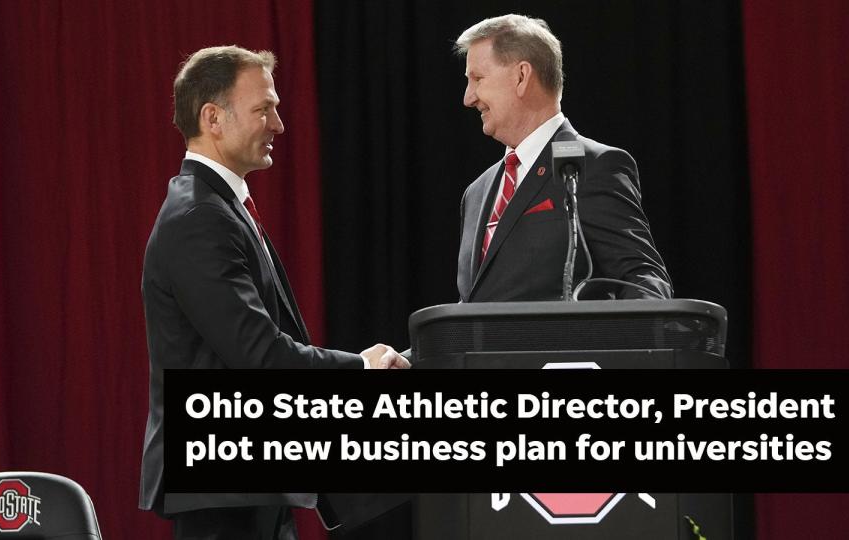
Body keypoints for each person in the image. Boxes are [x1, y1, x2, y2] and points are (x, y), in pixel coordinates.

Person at [139, 45, 409, 540]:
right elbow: (259, 354)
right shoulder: (200, 219)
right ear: (212, 118)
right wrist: (362, 369)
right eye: (264, 109)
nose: (279, 124)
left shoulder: (219, 209)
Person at [454, 15, 672, 302]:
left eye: (478, 79)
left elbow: (645, 283)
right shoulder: (477, 193)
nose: (468, 98)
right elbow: (470, 317)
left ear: (521, 76)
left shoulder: (594, 167)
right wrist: (406, 350)